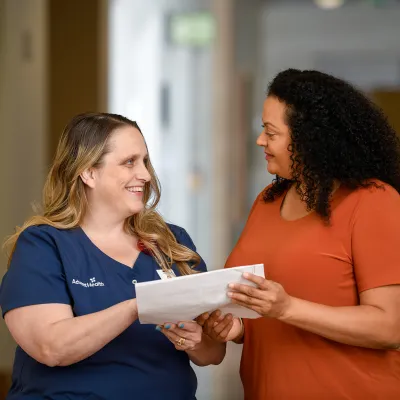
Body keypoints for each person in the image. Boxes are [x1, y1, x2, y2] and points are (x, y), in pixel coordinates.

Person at [198, 69, 400, 399]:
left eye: (270, 132)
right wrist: (237, 328)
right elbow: (261, 311)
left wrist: (287, 308)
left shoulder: (373, 201)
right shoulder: (267, 201)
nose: (260, 140)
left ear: (309, 139)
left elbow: (389, 327)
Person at [0, 113, 226, 400]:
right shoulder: (43, 245)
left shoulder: (172, 242)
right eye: (129, 162)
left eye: (145, 161)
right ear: (89, 173)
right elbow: (51, 348)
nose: (144, 174)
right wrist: (139, 305)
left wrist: (193, 341)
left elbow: (213, 354)